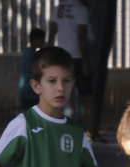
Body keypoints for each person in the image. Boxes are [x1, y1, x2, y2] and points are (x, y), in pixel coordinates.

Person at [48, 0, 96, 138]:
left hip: (60, 58)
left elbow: (51, 36)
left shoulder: (58, 9)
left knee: (60, 96)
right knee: (87, 97)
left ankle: (58, 130)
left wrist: (48, 59)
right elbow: (82, 36)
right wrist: (86, 61)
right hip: (77, 58)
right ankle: (91, 133)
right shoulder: (81, 9)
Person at [19, 28, 46, 111]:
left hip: (27, 90)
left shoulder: (29, 52)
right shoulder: (31, 54)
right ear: (36, 40)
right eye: (42, 40)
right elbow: (31, 69)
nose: (43, 42)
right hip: (30, 91)